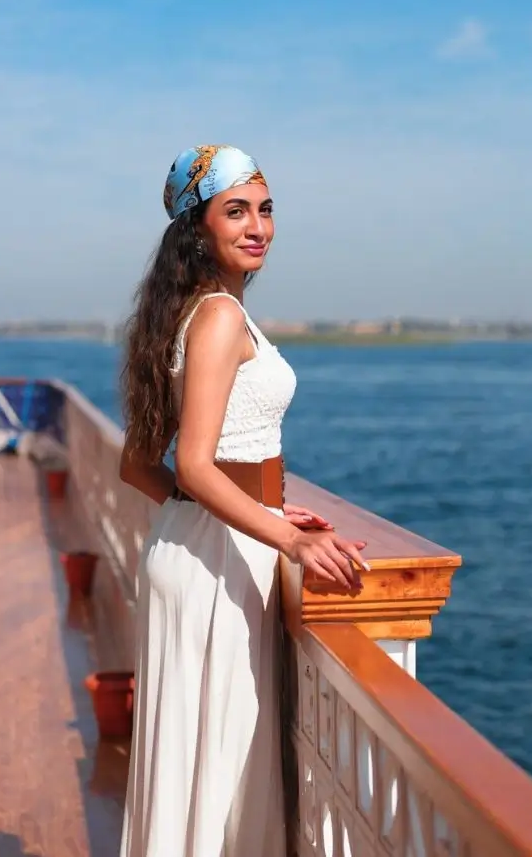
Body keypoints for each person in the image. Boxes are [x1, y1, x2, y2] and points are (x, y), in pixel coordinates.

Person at [117, 145, 370, 856]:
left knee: (197, 771)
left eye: (265, 209)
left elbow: (140, 467)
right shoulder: (220, 316)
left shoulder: (189, 313)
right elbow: (194, 467)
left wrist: (265, 509)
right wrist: (289, 538)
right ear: (198, 228)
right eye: (236, 211)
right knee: (219, 774)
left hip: (206, 548)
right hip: (215, 567)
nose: (258, 226)